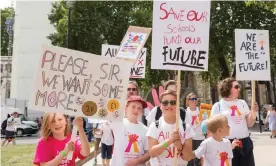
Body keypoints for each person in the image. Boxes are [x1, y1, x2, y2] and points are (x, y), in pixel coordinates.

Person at [210, 77, 258, 166]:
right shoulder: (218, 106)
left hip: (244, 143)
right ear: (227, 88)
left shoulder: (242, 103)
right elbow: (213, 129)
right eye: (236, 87)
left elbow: (249, 123)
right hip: (226, 144)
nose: (239, 89)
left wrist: (253, 113)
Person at [147, 90, 195, 166]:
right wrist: (169, 141)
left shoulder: (186, 128)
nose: (169, 105)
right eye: (165, 103)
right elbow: (152, 153)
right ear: (161, 106)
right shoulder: (155, 126)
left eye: (173, 103)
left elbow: (188, 157)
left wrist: (180, 147)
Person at [111, 95, 150, 166]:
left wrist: (137, 161)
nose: (136, 110)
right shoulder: (117, 123)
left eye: (139, 108)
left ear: (141, 112)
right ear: (126, 108)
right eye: (133, 107)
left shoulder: (145, 130)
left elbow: (148, 153)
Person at [185, 93, 204, 166]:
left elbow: (206, 123)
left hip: (201, 137)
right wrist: (197, 121)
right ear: (188, 101)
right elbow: (188, 127)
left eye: (195, 99)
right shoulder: (185, 112)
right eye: (192, 99)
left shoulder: (202, 111)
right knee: (190, 159)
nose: (194, 100)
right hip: (190, 138)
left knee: (199, 159)